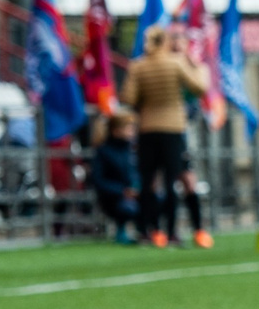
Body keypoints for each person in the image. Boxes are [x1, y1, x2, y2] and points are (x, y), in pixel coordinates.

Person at [119, 26, 213, 249]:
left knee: (148, 181)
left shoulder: (138, 66)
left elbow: (128, 97)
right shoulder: (176, 63)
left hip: (147, 128)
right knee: (171, 181)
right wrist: (199, 66)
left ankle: (148, 230)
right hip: (173, 128)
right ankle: (172, 232)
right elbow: (199, 87)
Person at [90, 112, 141, 243]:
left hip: (135, 194)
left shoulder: (134, 150)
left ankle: (147, 232)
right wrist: (123, 191)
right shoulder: (103, 151)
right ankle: (121, 231)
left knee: (157, 198)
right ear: (116, 131)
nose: (132, 132)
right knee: (127, 207)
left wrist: (140, 187)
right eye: (128, 128)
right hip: (113, 198)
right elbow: (98, 181)